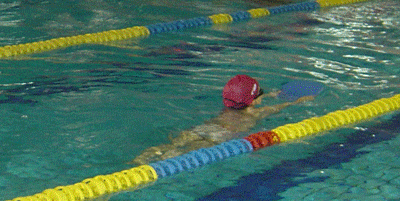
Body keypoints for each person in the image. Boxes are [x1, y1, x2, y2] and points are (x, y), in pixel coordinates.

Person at [131, 74, 316, 164]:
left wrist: (269, 94)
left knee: (170, 146)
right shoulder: (255, 113)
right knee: (179, 156)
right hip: (219, 137)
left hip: (204, 128)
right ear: (253, 102)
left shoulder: (229, 107)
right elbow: (280, 107)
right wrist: (298, 101)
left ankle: (139, 160)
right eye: (261, 93)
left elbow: (245, 99)